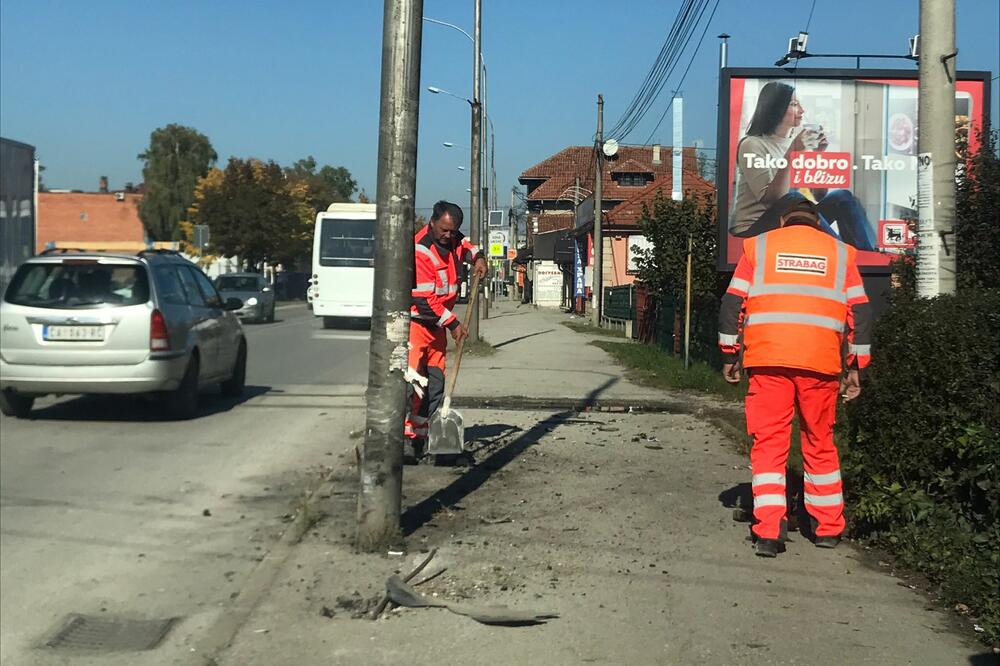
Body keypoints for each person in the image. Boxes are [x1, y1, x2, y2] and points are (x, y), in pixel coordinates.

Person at [718, 198, 873, 558]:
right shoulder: (842, 254)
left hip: (768, 360)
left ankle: (770, 531)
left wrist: (729, 354)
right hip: (820, 364)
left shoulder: (758, 247)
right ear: (817, 222)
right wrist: (856, 367)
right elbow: (860, 314)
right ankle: (827, 528)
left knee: (770, 445)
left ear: (784, 219)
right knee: (819, 441)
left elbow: (732, 303)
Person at [729, 81, 877, 251]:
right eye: (793, 104)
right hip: (753, 228)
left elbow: (819, 194)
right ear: (776, 108)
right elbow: (772, 198)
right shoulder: (752, 144)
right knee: (794, 199)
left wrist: (818, 155)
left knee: (842, 197)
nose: (801, 110)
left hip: (790, 217)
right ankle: (840, 254)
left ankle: (865, 257)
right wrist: (793, 153)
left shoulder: (797, 144)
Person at [404, 201, 487, 463]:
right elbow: (423, 300)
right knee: (415, 387)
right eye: (444, 230)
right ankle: (408, 440)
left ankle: (431, 439)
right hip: (418, 327)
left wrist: (478, 258)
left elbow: (466, 244)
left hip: (436, 328)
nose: (448, 236)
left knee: (436, 385)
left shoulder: (452, 240)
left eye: (453, 231)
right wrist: (453, 324)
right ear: (432, 223)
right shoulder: (421, 251)